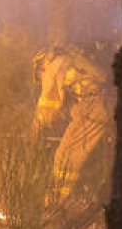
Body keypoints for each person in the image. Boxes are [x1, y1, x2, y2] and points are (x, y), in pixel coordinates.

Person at [32, 45, 112, 197]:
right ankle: (76, 195)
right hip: (98, 106)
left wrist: (36, 129)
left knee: (66, 157)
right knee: (78, 156)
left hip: (93, 107)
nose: (41, 79)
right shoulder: (70, 62)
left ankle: (62, 200)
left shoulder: (53, 67)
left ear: (41, 65)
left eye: (39, 75)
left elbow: (47, 106)